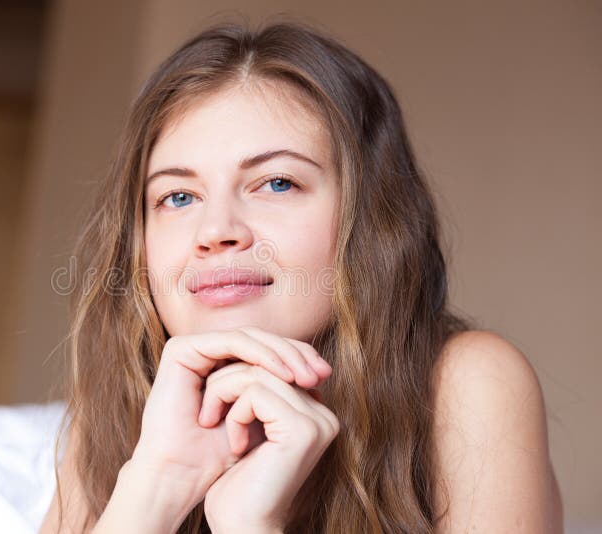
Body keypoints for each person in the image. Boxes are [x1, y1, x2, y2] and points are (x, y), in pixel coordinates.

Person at [38, 20, 563, 534]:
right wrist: (157, 488)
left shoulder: (468, 382)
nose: (216, 230)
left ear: (369, 218)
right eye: (178, 196)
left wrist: (250, 525)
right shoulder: (127, 398)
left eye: (277, 183)